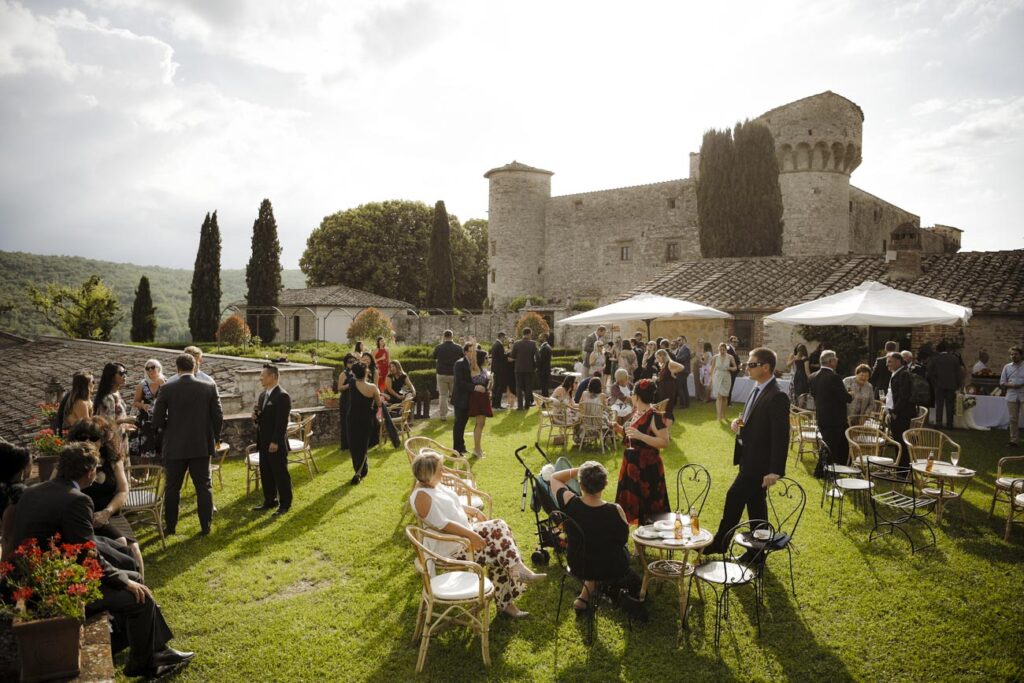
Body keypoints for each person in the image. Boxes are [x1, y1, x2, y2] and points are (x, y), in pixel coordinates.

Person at [8, 442, 193, 678]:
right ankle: (143, 663)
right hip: (54, 590)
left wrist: (123, 572)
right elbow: (87, 556)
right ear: (89, 473)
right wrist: (124, 582)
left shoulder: (33, 491)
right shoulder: (76, 500)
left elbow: (76, 544)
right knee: (140, 596)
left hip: (37, 578)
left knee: (133, 573)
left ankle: (158, 650)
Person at [410, 451, 544, 618]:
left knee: (500, 529)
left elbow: (452, 503)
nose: (443, 472)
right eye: (439, 469)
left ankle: (514, 571)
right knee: (498, 548)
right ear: (427, 474)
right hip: (450, 549)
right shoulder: (422, 496)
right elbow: (443, 525)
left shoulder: (432, 484)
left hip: (462, 536)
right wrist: (472, 536)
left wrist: (471, 510)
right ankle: (509, 595)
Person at [707, 347, 789, 555]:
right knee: (756, 506)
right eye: (747, 364)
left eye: (752, 365)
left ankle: (720, 543)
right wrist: (738, 422)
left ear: (766, 367)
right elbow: (750, 415)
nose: (747, 368)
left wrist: (775, 470)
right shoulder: (757, 387)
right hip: (747, 457)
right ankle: (757, 554)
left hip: (759, 463)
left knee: (734, 496)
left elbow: (781, 436)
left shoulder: (777, 396)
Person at [548, 462, 646, 619]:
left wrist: (580, 470)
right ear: (605, 484)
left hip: (578, 564)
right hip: (611, 567)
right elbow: (622, 540)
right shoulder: (615, 510)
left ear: (580, 484)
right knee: (634, 578)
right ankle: (613, 593)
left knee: (593, 554)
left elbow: (554, 477)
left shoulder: (569, 502)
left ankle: (583, 598)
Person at [152, 353, 223, 535]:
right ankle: (206, 527)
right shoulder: (209, 387)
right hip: (201, 444)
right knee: (204, 486)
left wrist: (170, 427)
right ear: (194, 367)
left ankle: (171, 527)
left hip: (175, 445)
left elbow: (157, 419)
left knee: (172, 487)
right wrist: (216, 437)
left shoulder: (167, 389)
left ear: (177, 368)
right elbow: (218, 416)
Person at [67, 417, 145, 577]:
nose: (88, 441)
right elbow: (57, 490)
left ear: (102, 441)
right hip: (83, 517)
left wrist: (107, 512)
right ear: (75, 441)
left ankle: (143, 591)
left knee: (134, 548)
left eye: (94, 438)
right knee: (119, 545)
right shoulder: (68, 463)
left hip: (110, 513)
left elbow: (123, 490)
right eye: (83, 438)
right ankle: (123, 585)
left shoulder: (113, 461)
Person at [613, 378, 670, 525]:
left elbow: (665, 441)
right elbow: (632, 437)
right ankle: (639, 545)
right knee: (633, 507)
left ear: (637, 396)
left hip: (647, 469)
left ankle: (647, 541)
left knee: (648, 508)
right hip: (632, 466)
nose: (631, 396)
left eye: (633, 393)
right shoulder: (636, 412)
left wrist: (641, 436)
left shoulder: (654, 416)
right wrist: (619, 429)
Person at [252, 364, 293, 512]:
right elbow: (263, 418)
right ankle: (270, 500)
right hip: (263, 441)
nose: (260, 378)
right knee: (266, 472)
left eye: (263, 375)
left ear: (273, 377)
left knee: (280, 474)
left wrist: (275, 441)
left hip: (276, 443)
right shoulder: (263, 395)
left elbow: (282, 422)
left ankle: (285, 504)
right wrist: (256, 418)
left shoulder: (282, 396)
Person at [809, 350, 852, 475]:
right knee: (830, 446)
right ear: (831, 361)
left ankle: (837, 467)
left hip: (822, 415)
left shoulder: (813, 376)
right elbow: (845, 397)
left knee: (840, 444)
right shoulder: (834, 377)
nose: (837, 361)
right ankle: (820, 471)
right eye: (836, 359)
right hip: (835, 418)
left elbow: (813, 394)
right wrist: (851, 395)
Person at [345, 363, 380, 484]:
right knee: (362, 445)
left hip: (352, 418)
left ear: (354, 373)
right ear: (366, 372)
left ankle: (359, 471)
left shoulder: (352, 383)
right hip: (366, 418)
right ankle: (361, 471)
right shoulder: (373, 388)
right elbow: (379, 403)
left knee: (354, 445)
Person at [0, 440, 32, 557]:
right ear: (21, 468)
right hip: (13, 552)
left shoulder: (3, 488)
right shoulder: (19, 492)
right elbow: (9, 536)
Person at [93, 362, 134, 452]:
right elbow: (107, 423)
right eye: (121, 373)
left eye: (125, 373)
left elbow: (118, 417)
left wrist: (126, 426)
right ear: (111, 377)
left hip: (121, 439)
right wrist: (125, 420)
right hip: (112, 442)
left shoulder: (117, 393)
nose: (124, 376)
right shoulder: (108, 398)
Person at [132, 359, 165, 458]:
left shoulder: (166, 382)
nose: (150, 370)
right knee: (147, 443)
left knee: (161, 441)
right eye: (147, 368)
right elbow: (135, 402)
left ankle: (160, 469)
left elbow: (170, 398)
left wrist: (162, 384)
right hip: (146, 417)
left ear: (159, 368)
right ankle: (146, 471)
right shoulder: (142, 385)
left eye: (153, 367)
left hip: (162, 416)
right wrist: (143, 406)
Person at [927, 341, 963, 430]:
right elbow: (958, 373)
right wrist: (958, 385)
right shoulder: (954, 358)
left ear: (938, 350)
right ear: (947, 349)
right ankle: (949, 424)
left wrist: (934, 382)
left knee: (939, 405)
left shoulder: (935, 358)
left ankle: (939, 423)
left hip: (939, 385)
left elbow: (929, 371)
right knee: (950, 405)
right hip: (951, 385)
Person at [887, 352, 914, 465]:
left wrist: (895, 412)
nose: (888, 365)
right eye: (887, 362)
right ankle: (900, 467)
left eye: (890, 362)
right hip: (897, 413)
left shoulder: (903, 374)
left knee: (901, 442)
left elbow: (904, 396)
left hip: (902, 414)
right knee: (897, 441)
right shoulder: (896, 373)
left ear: (898, 361)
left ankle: (903, 470)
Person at [450, 342, 477, 456]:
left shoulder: (471, 363)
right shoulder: (459, 363)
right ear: (466, 352)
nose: (472, 353)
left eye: (473, 351)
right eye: (470, 351)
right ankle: (457, 449)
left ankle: (462, 447)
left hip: (467, 398)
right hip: (460, 398)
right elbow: (460, 382)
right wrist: (474, 387)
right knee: (459, 424)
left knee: (463, 423)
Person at [432, 330, 463, 421]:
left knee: (443, 395)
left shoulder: (439, 347)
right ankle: (457, 414)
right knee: (456, 394)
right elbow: (462, 359)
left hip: (441, 374)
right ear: (452, 336)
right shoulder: (458, 347)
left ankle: (442, 415)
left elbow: (434, 357)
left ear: (444, 336)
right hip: (454, 374)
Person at [467, 348, 493, 458]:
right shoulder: (475, 368)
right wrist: (473, 346)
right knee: (479, 424)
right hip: (478, 398)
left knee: (481, 424)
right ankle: (477, 450)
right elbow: (473, 359)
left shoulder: (483, 370)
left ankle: (478, 448)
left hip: (484, 397)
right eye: (486, 357)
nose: (488, 359)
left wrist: (491, 381)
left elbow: (488, 386)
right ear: (481, 358)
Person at [1000, 346, 1024, 447]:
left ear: (1021, 355)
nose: (1014, 356)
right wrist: (1012, 385)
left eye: (1016, 354)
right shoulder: (1007, 367)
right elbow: (1002, 382)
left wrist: (1021, 384)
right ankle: (1014, 440)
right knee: (1013, 419)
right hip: (1011, 395)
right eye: (1012, 354)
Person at [654, 349, 683, 426]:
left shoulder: (669, 363)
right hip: (662, 389)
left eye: (658, 357)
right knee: (663, 409)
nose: (657, 360)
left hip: (668, 389)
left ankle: (668, 431)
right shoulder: (663, 365)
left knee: (668, 410)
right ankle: (665, 429)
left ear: (662, 356)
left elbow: (681, 367)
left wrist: (673, 372)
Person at [511, 327, 538, 409]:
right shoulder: (533, 343)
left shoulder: (516, 343)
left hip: (518, 368)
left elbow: (513, 356)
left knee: (518, 387)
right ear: (529, 334)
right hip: (529, 369)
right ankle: (527, 405)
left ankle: (520, 406)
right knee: (528, 387)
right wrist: (535, 366)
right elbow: (538, 356)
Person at [710, 342, 737, 420]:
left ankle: (723, 415)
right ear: (718, 349)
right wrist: (711, 379)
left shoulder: (730, 357)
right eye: (720, 349)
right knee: (719, 397)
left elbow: (735, 368)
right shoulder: (715, 357)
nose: (722, 351)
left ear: (726, 350)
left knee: (724, 397)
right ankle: (718, 416)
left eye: (724, 350)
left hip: (726, 377)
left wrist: (729, 368)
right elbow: (712, 369)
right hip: (717, 377)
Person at [489, 332, 509, 409]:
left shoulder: (494, 344)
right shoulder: (499, 345)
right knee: (499, 386)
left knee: (495, 386)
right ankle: (497, 404)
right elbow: (502, 357)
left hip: (495, 369)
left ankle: (494, 403)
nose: (504, 339)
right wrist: (508, 353)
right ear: (501, 336)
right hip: (500, 369)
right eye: (504, 337)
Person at [673, 336, 692, 410]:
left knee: (679, 387)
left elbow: (683, 358)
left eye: (680, 340)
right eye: (677, 340)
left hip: (683, 370)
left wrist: (675, 358)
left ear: (684, 340)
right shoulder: (680, 348)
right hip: (682, 370)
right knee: (683, 387)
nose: (678, 341)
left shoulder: (686, 348)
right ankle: (686, 403)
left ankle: (683, 404)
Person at [726, 336, 741, 407]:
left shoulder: (733, 349)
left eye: (737, 342)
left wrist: (739, 364)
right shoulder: (729, 349)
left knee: (730, 387)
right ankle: (728, 403)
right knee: (729, 387)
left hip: (734, 371)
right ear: (730, 342)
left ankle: (728, 402)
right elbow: (729, 361)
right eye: (734, 342)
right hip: (731, 371)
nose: (736, 343)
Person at [537, 332, 553, 398]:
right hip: (546, 369)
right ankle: (546, 401)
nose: (539, 338)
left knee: (544, 387)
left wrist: (537, 367)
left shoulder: (544, 348)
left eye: (541, 337)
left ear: (544, 338)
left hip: (543, 370)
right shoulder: (547, 346)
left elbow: (541, 360)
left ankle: (545, 402)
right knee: (545, 387)